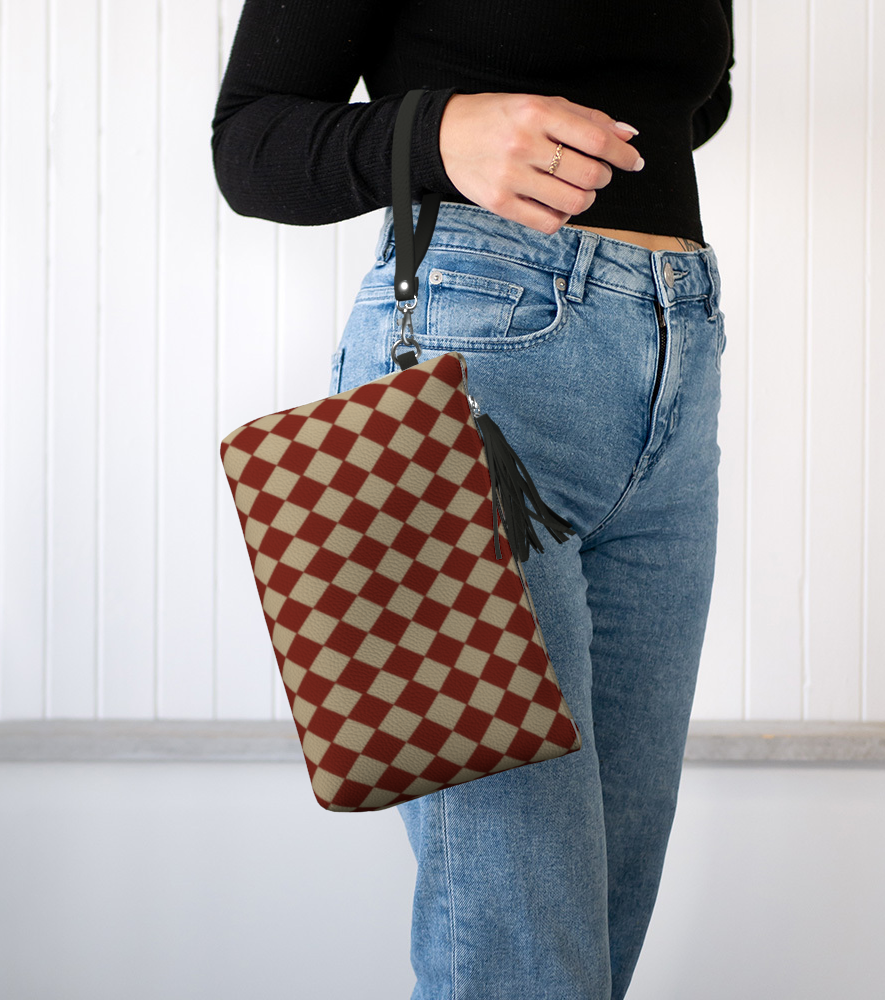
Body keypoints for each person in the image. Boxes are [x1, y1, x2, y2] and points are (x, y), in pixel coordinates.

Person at [212, 2, 733, 997]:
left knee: (592, 941)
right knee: (524, 951)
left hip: (674, 354)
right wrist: (439, 131)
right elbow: (249, 140)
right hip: (478, 366)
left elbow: (687, 102)